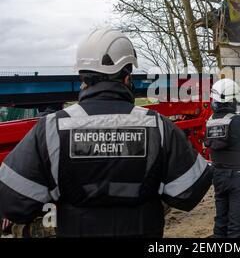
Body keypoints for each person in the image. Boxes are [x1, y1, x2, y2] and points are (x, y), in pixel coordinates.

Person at [0, 27, 212, 237]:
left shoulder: (51, 129)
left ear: (83, 80)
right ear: (127, 79)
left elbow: (13, 202)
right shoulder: (159, 127)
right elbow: (190, 192)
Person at [205, 78, 240, 238]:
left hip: (219, 176)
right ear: (232, 100)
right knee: (238, 227)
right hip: (239, 178)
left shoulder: (210, 121)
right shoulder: (238, 122)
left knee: (221, 222)